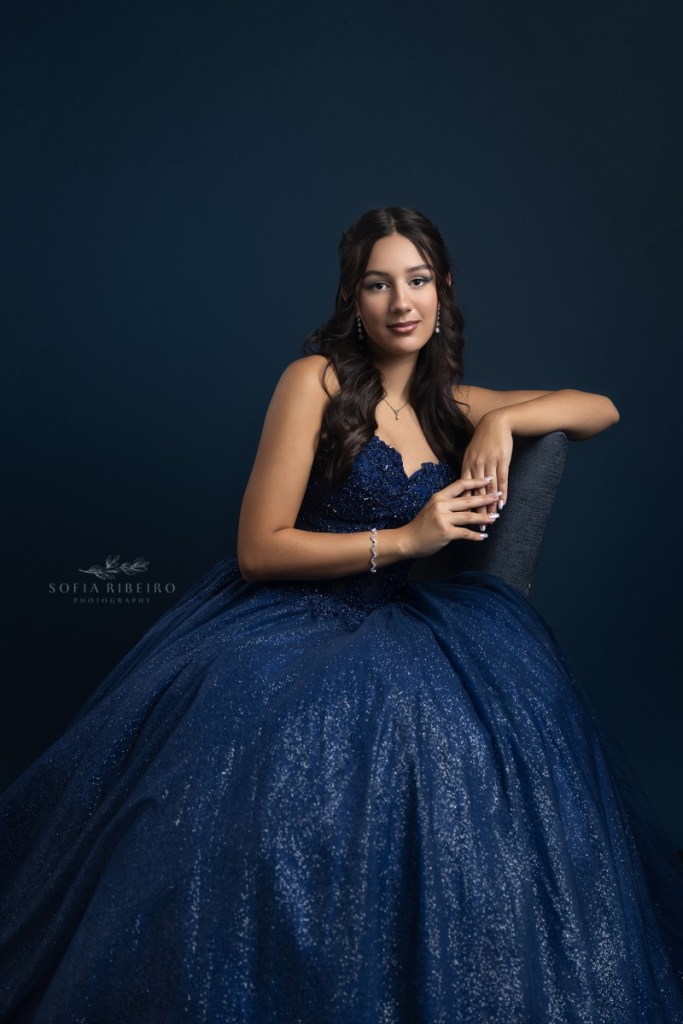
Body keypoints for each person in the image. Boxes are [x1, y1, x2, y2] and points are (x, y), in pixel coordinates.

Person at [1, 206, 682, 1024]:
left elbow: (598, 406)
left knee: (451, 765)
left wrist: (501, 418)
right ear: (353, 299)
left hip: (414, 625)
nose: (402, 301)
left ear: (444, 291)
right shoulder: (315, 380)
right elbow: (259, 548)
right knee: (262, 771)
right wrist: (406, 536)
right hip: (287, 616)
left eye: (419, 281)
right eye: (378, 283)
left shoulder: (454, 405)